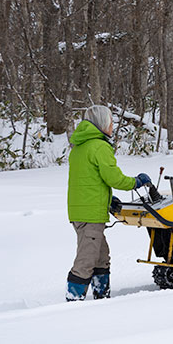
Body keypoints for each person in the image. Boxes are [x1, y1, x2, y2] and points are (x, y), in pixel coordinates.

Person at [66, 105, 151, 301]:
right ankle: (72, 301)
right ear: (102, 123)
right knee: (86, 260)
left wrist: (106, 199)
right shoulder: (99, 146)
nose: (113, 126)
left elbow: (89, 180)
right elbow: (114, 178)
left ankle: (102, 297)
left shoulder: (80, 146)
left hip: (81, 210)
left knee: (101, 256)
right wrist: (136, 182)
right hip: (90, 214)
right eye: (111, 122)